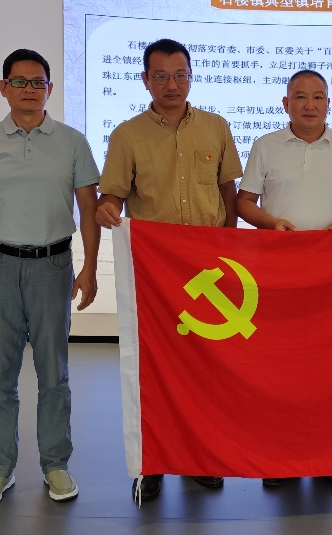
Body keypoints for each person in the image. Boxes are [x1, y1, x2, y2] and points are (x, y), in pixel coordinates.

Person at [96, 38, 242, 502]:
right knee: (155, 370)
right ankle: (153, 462)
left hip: (208, 267)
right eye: (161, 76)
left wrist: (229, 247)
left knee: (206, 369)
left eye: (180, 75)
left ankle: (201, 456)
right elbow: (112, 196)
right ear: (145, 80)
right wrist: (106, 208)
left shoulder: (216, 127)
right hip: (156, 274)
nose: (172, 85)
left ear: (191, 76)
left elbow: (229, 193)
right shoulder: (127, 135)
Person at [0, 49, 101, 509]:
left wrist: (90, 267)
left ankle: (55, 464)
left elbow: (89, 209)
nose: (29, 89)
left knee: (53, 373)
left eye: (38, 82)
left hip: (53, 265)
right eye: (19, 82)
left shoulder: (72, 142)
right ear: (3, 88)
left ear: (50, 89)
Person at [236, 69, 332, 488]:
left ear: (328, 104)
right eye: (300, 97)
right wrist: (271, 223)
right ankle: (282, 457)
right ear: (286, 103)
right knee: (281, 366)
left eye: (317, 97)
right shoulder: (266, 145)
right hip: (278, 272)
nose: (309, 105)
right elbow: (244, 202)